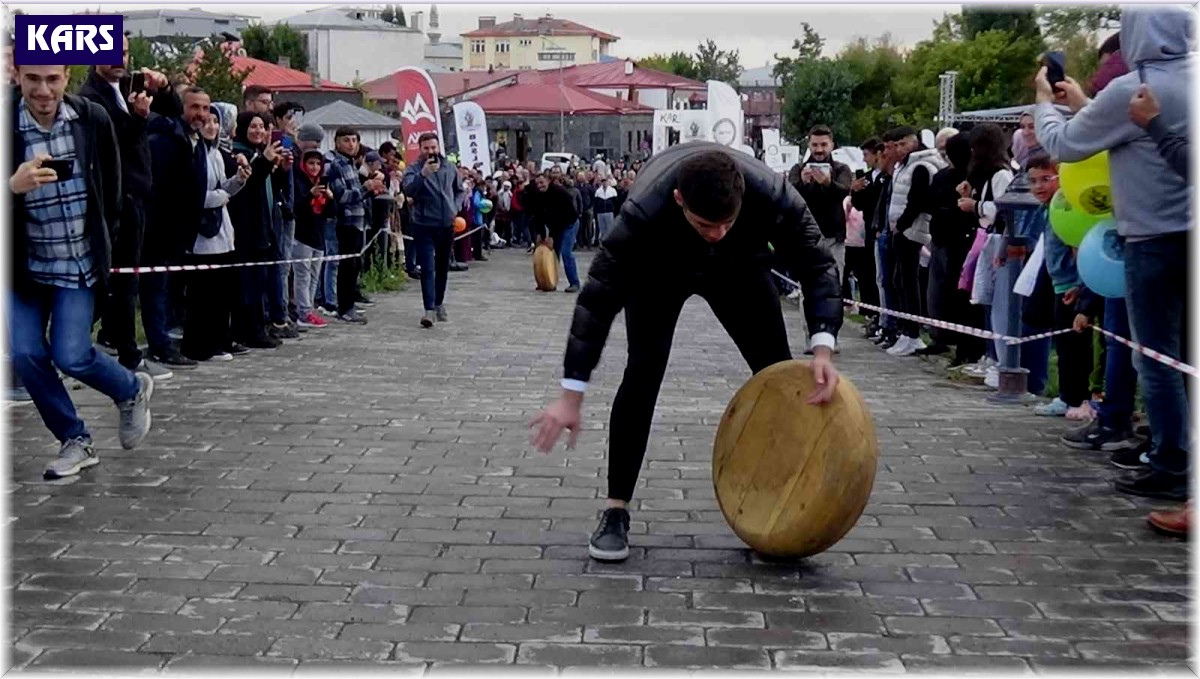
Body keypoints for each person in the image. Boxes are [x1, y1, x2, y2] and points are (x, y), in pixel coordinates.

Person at [528, 144, 843, 562]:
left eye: (724, 223)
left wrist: (822, 347)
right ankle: (615, 511)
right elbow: (597, 300)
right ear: (679, 200)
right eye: (705, 224)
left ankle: (786, 498)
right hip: (659, 267)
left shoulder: (772, 193)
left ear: (742, 201)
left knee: (779, 375)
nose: (715, 232)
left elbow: (818, 264)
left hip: (739, 266)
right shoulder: (643, 211)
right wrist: (571, 395)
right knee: (643, 372)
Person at [1033, 5, 1192, 501]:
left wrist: (1044, 101)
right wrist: (1085, 102)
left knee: (1156, 359)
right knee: (1187, 356)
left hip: (1148, 238)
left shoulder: (1131, 90)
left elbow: (1061, 143)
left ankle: (1171, 464)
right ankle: (1170, 446)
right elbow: (1133, 136)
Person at [9, 63, 155, 479]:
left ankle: (130, 390)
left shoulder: (91, 118)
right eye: (32, 78)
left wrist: (104, 245)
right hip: (23, 266)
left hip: (77, 261)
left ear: (66, 76)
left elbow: (110, 192)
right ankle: (75, 438)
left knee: (71, 354)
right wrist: (11, 189)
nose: (42, 90)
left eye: (52, 79)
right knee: (26, 353)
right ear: (18, 75)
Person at [77, 34, 177, 380]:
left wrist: (163, 89)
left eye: (123, 51)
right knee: (119, 280)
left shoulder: (130, 88)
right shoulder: (90, 97)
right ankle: (124, 354)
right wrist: (137, 118)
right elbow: (112, 143)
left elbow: (174, 113)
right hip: (115, 199)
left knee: (127, 280)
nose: (118, 58)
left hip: (137, 197)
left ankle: (112, 344)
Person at [403, 132, 464, 328]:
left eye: (433, 147)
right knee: (427, 268)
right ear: (420, 150)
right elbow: (408, 191)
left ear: (439, 147)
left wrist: (455, 207)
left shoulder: (449, 166)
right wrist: (423, 174)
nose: (431, 151)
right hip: (423, 224)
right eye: (426, 148)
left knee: (442, 267)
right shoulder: (413, 169)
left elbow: (460, 190)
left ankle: (439, 303)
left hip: (446, 224)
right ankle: (429, 309)